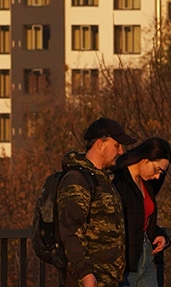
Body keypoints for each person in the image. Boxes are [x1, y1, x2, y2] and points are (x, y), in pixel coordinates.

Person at [56, 117, 137, 287]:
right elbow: (70, 232)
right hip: (88, 280)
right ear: (100, 144)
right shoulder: (77, 180)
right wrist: (86, 274)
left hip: (108, 278)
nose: (121, 151)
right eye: (117, 145)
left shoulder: (105, 180)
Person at [110, 138, 171, 287]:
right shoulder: (117, 180)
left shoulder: (146, 183)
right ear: (145, 160)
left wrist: (157, 233)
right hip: (124, 261)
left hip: (146, 255)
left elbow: (141, 216)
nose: (158, 176)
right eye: (157, 170)